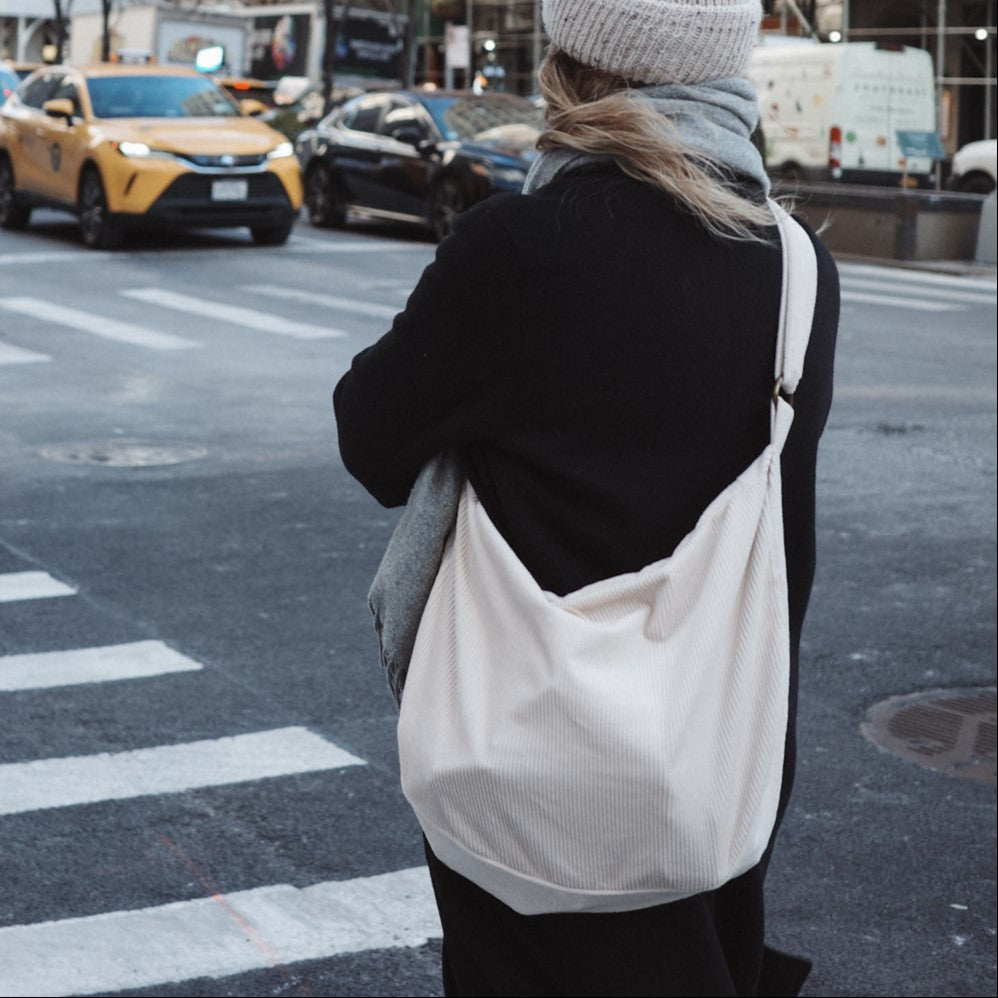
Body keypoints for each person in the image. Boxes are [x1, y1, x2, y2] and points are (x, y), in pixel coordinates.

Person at [333, 0, 839, 994]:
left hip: (521, 766)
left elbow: (371, 438)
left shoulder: (516, 246)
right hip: (711, 758)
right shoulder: (796, 270)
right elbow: (786, 545)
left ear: (570, 62)